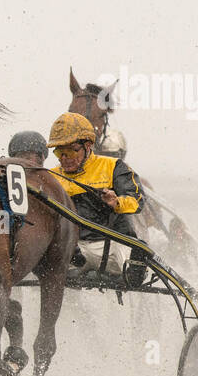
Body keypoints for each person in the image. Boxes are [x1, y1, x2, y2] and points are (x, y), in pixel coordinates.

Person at [46, 112, 145, 277]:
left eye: (71, 151)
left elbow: (138, 201)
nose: (65, 158)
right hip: (75, 249)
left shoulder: (113, 166)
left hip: (113, 244)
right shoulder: (50, 177)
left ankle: (134, 271)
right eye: (59, 153)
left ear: (88, 146)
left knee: (131, 261)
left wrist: (117, 202)